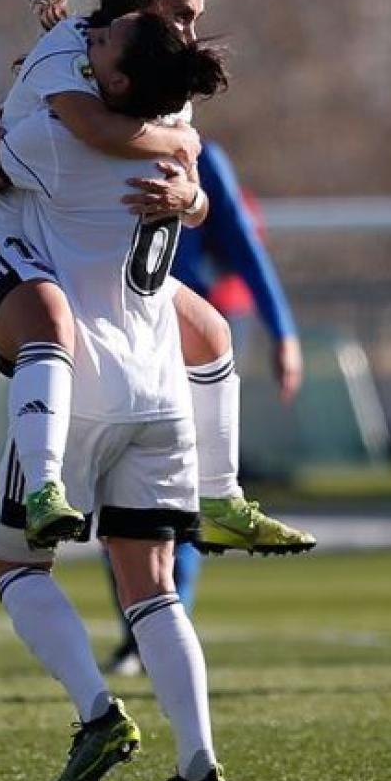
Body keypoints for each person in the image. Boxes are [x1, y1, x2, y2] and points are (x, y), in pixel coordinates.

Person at [0, 11, 238, 781]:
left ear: (115, 81)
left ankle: (101, 712)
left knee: (18, 570)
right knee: (154, 592)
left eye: (103, 42)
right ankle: (198, 772)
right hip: (162, 394)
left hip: (81, 389)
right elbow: (191, 174)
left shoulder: (50, 135)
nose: (89, 38)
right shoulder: (181, 141)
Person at [0, 0, 315, 559]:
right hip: (15, 243)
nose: (189, 30)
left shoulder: (156, 71)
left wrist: (188, 194)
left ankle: (221, 500)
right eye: (180, 13)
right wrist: (180, 138)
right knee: (49, 333)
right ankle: (43, 488)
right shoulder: (72, 52)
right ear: (135, 10)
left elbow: (196, 204)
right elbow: (90, 132)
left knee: (212, 334)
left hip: (97, 265)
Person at [104, 142, 306, 677]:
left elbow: (243, 245)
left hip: (187, 328)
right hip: (113, 329)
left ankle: (167, 621)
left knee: (182, 482)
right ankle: (139, 631)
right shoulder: (91, 143)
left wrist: (282, 330)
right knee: (116, 475)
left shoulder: (203, 156)